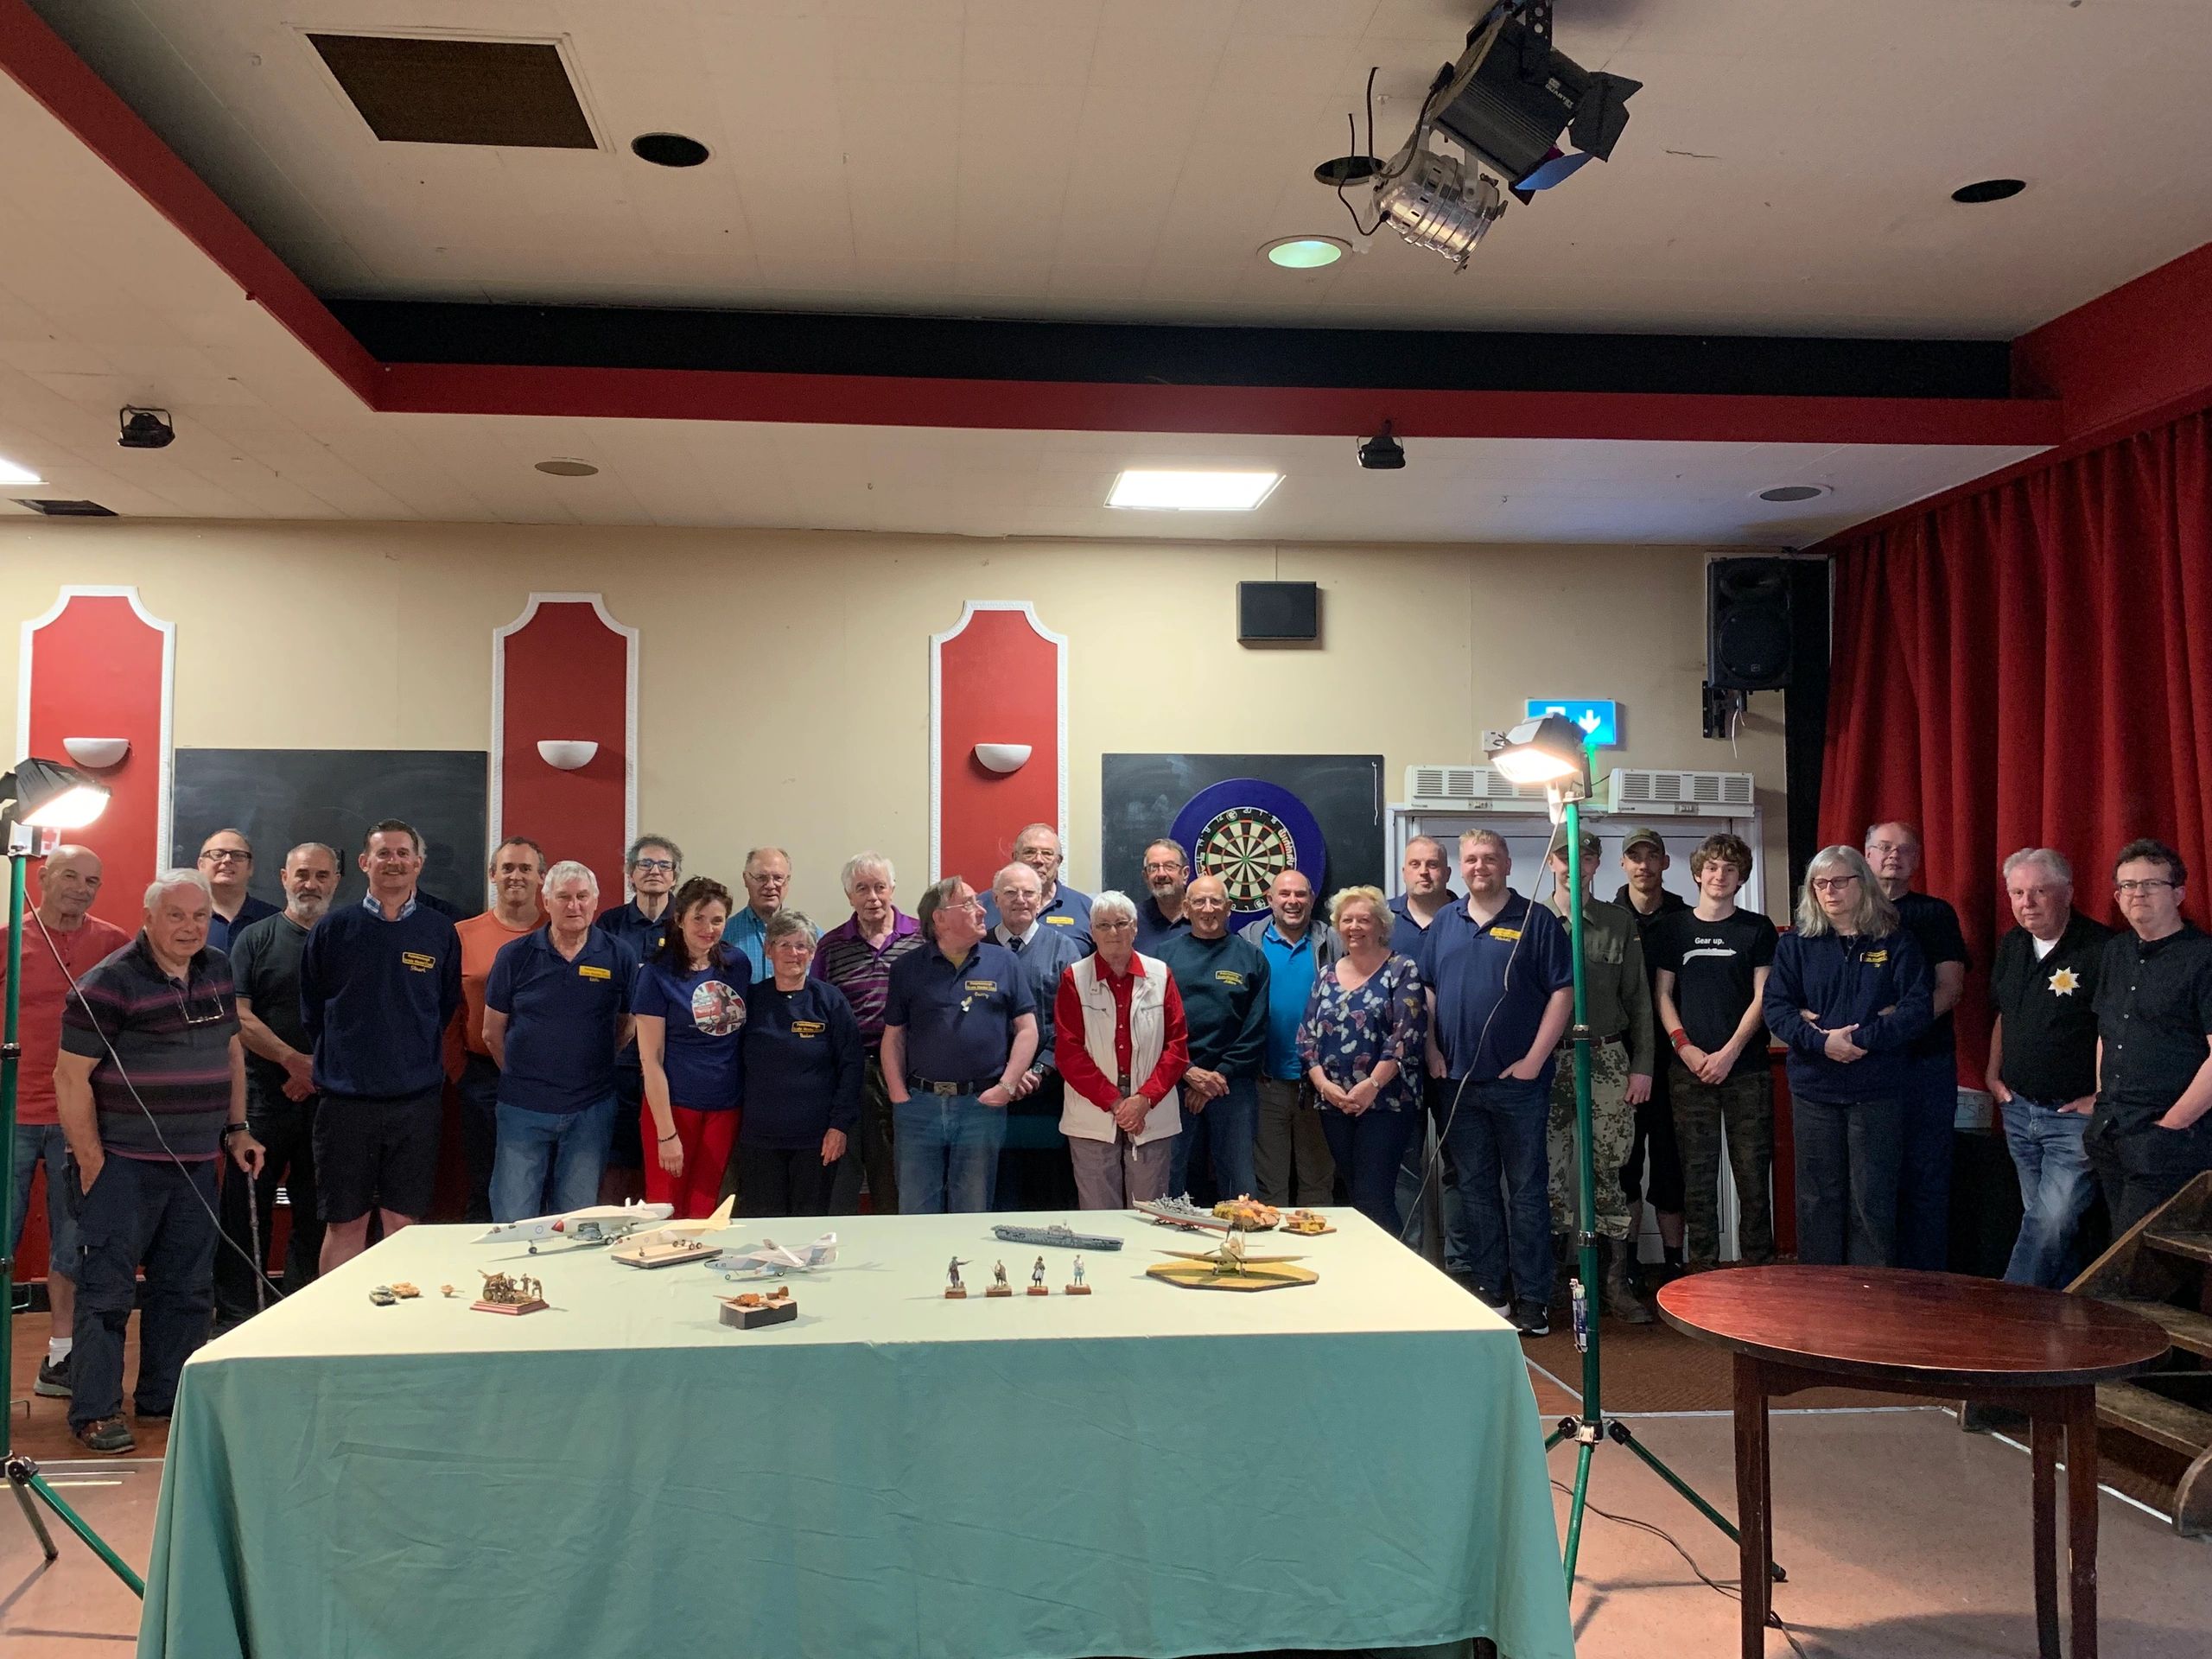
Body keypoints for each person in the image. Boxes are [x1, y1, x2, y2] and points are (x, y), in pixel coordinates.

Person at [54, 870, 264, 1454]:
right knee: (107, 1293)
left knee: (188, 1289)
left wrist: (238, 1128)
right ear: (149, 918)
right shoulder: (107, 983)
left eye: (199, 916)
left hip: (196, 1162)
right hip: (122, 1165)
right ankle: (95, 1411)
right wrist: (92, 1162)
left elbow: (231, 1052)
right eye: (176, 915)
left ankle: (166, 1397)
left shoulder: (217, 968)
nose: (190, 928)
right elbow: (69, 1078)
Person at [1412, 830, 1573, 1335]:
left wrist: (1533, 1060)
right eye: (1471, 859)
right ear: (1461, 868)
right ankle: (1492, 1290)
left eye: (1489, 858)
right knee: (1475, 1190)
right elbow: (1428, 989)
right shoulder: (1446, 920)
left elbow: (1563, 993)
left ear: (1507, 865)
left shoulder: (1537, 920)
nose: (1479, 867)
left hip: (1519, 1084)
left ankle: (1533, 1298)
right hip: (1457, 1083)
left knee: (1526, 1191)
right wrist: (1432, 1049)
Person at [302, 820, 461, 1273]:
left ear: (418, 864)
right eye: (384, 853)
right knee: (344, 1224)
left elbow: (443, 1007)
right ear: (364, 862)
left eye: (403, 853)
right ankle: (338, 1317)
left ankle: (400, 1315)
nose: (394, 861)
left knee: (403, 1223)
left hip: (415, 1102)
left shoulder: (440, 931)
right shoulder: (332, 930)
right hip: (345, 1104)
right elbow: (313, 1011)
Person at [1763, 846, 1932, 1267]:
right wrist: (1822, 1042)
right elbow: (1777, 1009)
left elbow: (1916, 1010)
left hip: (1877, 1090)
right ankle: (1820, 1291)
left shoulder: (1896, 942)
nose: (1829, 891)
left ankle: (1870, 1291)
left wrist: (1862, 1039)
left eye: (1839, 881)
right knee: (1817, 1198)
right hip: (1814, 1090)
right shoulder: (1795, 945)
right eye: (1820, 884)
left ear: (1863, 883)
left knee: (1871, 1199)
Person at [4, 846, 127, 1398]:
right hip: (11, 1115)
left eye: (92, 881)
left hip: (79, 1118)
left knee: (73, 1243)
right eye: (71, 876)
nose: (81, 888)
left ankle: (60, 1357)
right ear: (43, 878)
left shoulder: (114, 944)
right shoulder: (9, 939)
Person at [213, 842, 339, 1331]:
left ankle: (303, 1315)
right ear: (284, 877)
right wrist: (292, 1062)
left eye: (322, 875)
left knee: (317, 1211)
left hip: (330, 1101)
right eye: (302, 874)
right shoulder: (254, 938)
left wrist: (314, 1073)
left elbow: (363, 1017)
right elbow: (238, 1015)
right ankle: (239, 1316)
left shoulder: (348, 937)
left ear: (336, 881)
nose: (311, 884)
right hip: (261, 1100)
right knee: (246, 1210)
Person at [1650, 832, 1777, 1273]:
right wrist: (1684, 1047)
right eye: (1711, 868)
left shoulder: (1757, 928)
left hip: (1747, 1070)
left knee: (1753, 1177)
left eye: (1729, 869)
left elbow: (1763, 997)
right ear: (1698, 874)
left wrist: (1729, 1052)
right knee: (1697, 1179)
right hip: (1689, 1072)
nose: (1719, 875)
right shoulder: (1674, 928)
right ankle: (1701, 1272)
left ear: (1741, 878)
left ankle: (1759, 1269)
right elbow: (1662, 994)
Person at [1543, 830, 1656, 1325]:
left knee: (1609, 1170)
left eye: (1586, 858)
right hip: (1548, 1061)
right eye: (1566, 857)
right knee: (1547, 1172)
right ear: (1552, 863)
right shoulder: (1532, 921)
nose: (1575, 866)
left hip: (1607, 1060)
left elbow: (1639, 999)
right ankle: (1547, 1283)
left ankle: (1614, 1285)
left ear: (1595, 866)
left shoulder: (1617, 922)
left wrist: (1642, 1065)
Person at [482, 861, 637, 1221]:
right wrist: (524, 1075)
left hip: (591, 1109)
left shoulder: (619, 955)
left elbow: (627, 1026)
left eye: (582, 897)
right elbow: (491, 1032)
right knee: (513, 1217)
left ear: (595, 900)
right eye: (564, 897)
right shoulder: (515, 956)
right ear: (546, 900)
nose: (574, 906)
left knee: (577, 1220)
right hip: (522, 1108)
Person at [1986, 848, 2108, 1287]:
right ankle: (2059, 1317)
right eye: (2018, 893)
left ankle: (2011, 1308)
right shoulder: (2012, 944)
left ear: (2068, 893)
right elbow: (2004, 1014)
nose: (2027, 903)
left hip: (2071, 1117)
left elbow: (2113, 1030)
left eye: (2039, 891)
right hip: (2018, 1109)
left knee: (2050, 1222)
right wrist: (1992, 1075)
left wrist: (2100, 1095)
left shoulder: (2101, 949)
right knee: (2047, 1226)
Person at [881, 877, 1038, 1213]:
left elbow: (1027, 1029)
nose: (982, 910)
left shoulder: (1004, 962)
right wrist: (898, 1096)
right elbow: (894, 1036)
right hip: (919, 1106)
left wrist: (1007, 1086)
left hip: (980, 1106)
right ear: (939, 918)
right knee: (916, 1207)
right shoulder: (906, 968)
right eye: (968, 903)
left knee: (973, 1205)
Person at [2088, 839, 2212, 1232]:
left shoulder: (2203, 957)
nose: (2137, 893)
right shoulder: (2115, 951)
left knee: (2136, 1261)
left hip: (2169, 1138)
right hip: (2110, 1131)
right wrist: (2101, 1102)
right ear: (2117, 896)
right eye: (2127, 885)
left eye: (2151, 884)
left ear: (2178, 894)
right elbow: (2106, 1032)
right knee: (2117, 1247)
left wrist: (2171, 1126)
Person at [1866, 820, 1971, 1271]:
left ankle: (1926, 1284)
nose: (1894, 855)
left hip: (1925, 1064)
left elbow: (1951, 989)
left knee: (1926, 1177)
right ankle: (1872, 1281)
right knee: (1871, 1179)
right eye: (1885, 847)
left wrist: (1894, 1028)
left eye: (1905, 849)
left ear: (1917, 860)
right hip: (1861, 1066)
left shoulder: (1935, 914)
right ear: (1866, 855)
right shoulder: (1843, 908)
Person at [1298, 887, 1424, 1234]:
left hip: (1386, 1103)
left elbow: (1405, 1036)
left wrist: (1371, 1086)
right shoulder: (1327, 975)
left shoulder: (1401, 969)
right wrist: (1324, 1086)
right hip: (1334, 1104)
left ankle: (1393, 1265)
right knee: (1354, 1196)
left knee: (1374, 1197)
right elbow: (1306, 1037)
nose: (1354, 927)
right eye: (1347, 920)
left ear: (1381, 925)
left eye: (1364, 920)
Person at [1054, 891, 1190, 1208]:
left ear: (1135, 928)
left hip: (1151, 1110)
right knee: (1098, 1213)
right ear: (1092, 931)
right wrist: (1116, 1103)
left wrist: (1143, 1100)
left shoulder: (1160, 974)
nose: (1113, 932)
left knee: (1149, 1214)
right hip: (1093, 1111)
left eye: (1121, 923)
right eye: (1103, 925)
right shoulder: (1074, 978)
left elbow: (1177, 1046)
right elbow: (1069, 1053)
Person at [813, 852, 924, 1214]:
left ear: (893, 888)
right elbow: (818, 1008)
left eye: (879, 887)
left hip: (905, 1071)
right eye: (862, 889)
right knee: (842, 1173)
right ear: (849, 896)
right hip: (848, 1072)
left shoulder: (922, 938)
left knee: (894, 1173)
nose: (872, 897)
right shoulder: (831, 946)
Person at [632, 877, 747, 1218]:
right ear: (680, 918)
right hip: (673, 1108)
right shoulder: (657, 973)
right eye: (698, 918)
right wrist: (666, 1133)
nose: (708, 929)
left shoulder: (737, 964)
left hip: (725, 1107)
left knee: (704, 1210)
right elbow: (650, 1060)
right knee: (666, 1211)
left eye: (717, 920)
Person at [735, 910, 861, 1217]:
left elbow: (851, 1066)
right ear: (768, 950)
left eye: (802, 945)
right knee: (764, 1226)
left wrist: (839, 1127)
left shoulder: (830, 1001)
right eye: (784, 945)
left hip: (817, 1140)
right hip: (759, 1140)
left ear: (813, 952)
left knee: (809, 1225)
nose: (793, 953)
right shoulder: (751, 1001)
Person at [1159, 875, 1270, 1203]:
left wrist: (1218, 1077)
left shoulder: (1251, 958)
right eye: (1199, 902)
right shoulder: (1162, 958)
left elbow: (1255, 1028)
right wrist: (1187, 1072)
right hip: (1175, 1083)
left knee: (1240, 1183)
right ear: (1186, 908)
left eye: (1216, 901)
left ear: (1229, 908)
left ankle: (1242, 1235)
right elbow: (1154, 1024)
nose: (1208, 909)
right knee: (1168, 1177)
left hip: (1232, 1084)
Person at [451, 837, 544, 1222]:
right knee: (485, 1182)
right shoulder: (462, 934)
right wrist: (459, 1073)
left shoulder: (561, 931)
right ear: (492, 874)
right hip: (482, 1079)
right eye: (507, 868)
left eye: (525, 868)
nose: (515, 876)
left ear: (541, 878)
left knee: (542, 1186)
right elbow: (445, 1009)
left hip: (548, 1080)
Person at [1613, 826, 1688, 1283]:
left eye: (1651, 856)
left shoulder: (1685, 918)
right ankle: (1627, 1268)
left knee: (1671, 1168)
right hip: (1620, 1065)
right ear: (1623, 864)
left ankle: (1674, 1267)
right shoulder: (1607, 917)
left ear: (1665, 862)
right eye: (1634, 856)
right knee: (1624, 1167)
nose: (1643, 864)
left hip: (1678, 1065)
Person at [988, 862, 1088, 1211]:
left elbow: (1073, 1022)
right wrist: (1005, 1077)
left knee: (1047, 1189)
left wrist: (1036, 1070)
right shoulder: (978, 949)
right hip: (990, 1092)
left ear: (1040, 898)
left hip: (1045, 1090)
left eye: (1028, 893)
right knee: (997, 1188)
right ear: (995, 899)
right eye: (1011, 893)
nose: (1020, 899)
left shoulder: (1063, 950)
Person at [1240, 868, 1339, 1207]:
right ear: (1270, 899)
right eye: (1284, 894)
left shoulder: (1333, 942)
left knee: (1318, 1184)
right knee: (1269, 1189)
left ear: (1312, 899)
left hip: (1320, 1084)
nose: (1292, 901)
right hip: (1266, 1083)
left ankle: (1316, 1243)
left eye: (1300, 894)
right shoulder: (1247, 942)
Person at [596, 835, 683, 1200]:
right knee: (616, 1162)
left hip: (673, 1063)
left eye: (664, 865)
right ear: (630, 873)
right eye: (645, 864)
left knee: (667, 1159)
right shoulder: (610, 923)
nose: (654, 871)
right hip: (620, 1062)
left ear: (675, 876)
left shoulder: (687, 923)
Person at [1390, 836, 1463, 1262]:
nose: (1424, 872)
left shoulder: (1466, 917)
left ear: (1447, 872)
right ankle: (1409, 1261)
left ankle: (1461, 1265)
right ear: (1403, 871)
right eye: (1415, 864)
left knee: (1460, 1164)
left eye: (1433, 864)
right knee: (1403, 1166)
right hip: (1396, 1068)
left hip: (1456, 1063)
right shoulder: (1382, 920)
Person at [982, 822, 1095, 948]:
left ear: (1058, 861)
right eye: (1029, 852)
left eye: (1047, 853)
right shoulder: (981, 906)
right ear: (1015, 857)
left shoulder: (1085, 908)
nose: (1038, 860)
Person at [195, 828, 279, 955]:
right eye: (218, 854)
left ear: (250, 867)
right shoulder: (185, 920)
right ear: (201, 865)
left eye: (238, 855)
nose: (227, 860)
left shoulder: (274, 921)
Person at [723, 847, 791, 983]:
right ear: (746, 879)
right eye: (761, 878)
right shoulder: (723, 935)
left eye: (778, 878)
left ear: (788, 880)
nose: (770, 885)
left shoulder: (810, 937)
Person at [1135, 839, 1193, 953]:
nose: (1161, 874)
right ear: (1146, 876)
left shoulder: (1205, 914)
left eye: (1169, 866)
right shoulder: (1132, 920)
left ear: (1185, 874)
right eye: (1153, 867)